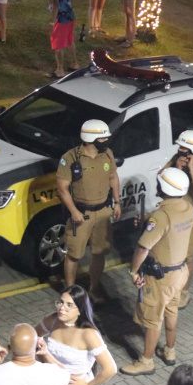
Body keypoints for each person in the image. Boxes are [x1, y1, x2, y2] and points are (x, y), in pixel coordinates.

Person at [121, 168, 193, 376]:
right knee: (172, 310)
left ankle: (146, 361)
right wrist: (149, 221)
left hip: (159, 278)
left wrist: (134, 272)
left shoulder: (161, 217)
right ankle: (170, 351)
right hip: (180, 272)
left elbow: (143, 248)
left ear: (163, 188)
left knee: (153, 319)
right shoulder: (187, 207)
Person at [56, 119, 122, 302]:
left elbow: (113, 178)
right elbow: (62, 187)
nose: (107, 141)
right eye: (103, 138)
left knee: (99, 252)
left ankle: (94, 289)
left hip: (102, 212)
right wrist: (74, 212)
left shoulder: (107, 153)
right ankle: (69, 291)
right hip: (81, 214)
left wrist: (117, 202)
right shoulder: (70, 158)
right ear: (91, 138)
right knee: (74, 254)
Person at [159, 131, 193, 310]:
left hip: (192, 219)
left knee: (186, 258)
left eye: (183, 147)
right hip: (173, 214)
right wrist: (176, 167)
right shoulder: (177, 158)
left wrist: (191, 170)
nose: (180, 150)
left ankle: (184, 292)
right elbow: (161, 176)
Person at [27, 0, 79, 79]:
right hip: (70, 13)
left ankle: (59, 70)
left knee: (58, 44)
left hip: (61, 18)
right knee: (70, 40)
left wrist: (51, 23)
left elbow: (55, 3)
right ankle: (74, 63)